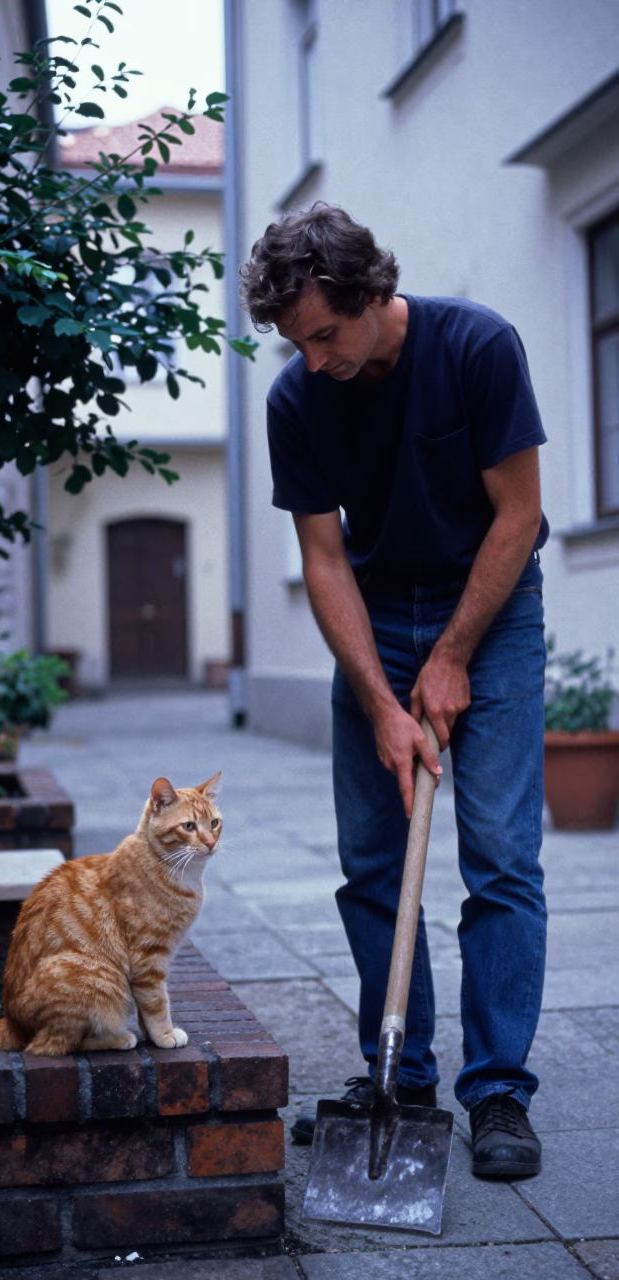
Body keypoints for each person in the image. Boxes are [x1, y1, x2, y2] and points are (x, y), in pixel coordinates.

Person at [239, 203, 548, 1179]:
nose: (315, 358)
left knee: (499, 855)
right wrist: (381, 697)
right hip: (372, 612)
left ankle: (497, 1089)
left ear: (374, 291)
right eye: (298, 341)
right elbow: (324, 560)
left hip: (489, 607)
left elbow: (521, 514)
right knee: (373, 862)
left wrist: (454, 652)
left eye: (327, 332)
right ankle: (400, 1073)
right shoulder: (297, 399)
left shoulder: (477, 347)